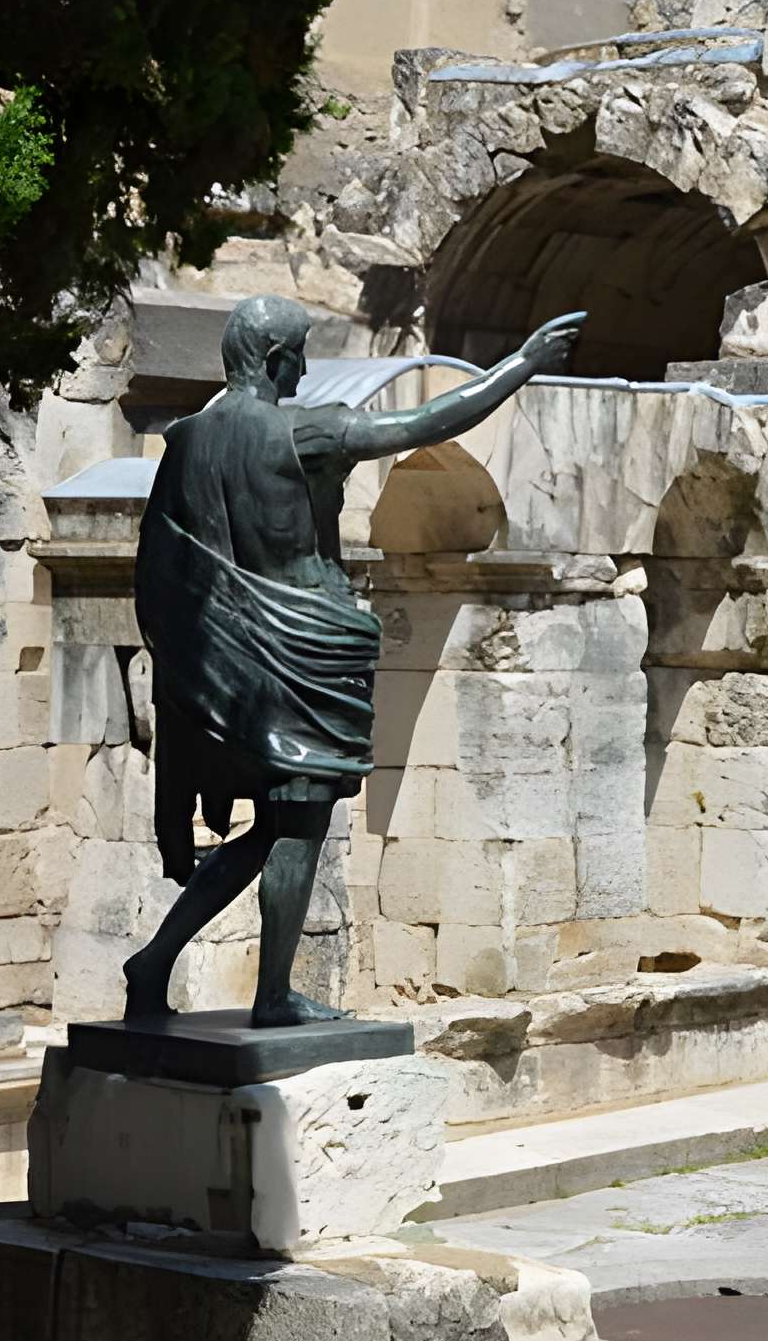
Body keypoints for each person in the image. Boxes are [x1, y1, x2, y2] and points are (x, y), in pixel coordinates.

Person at [124, 296, 585, 1027]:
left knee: (281, 827)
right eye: (300, 354)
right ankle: (270, 999)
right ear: (276, 358)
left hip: (233, 662)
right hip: (301, 653)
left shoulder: (186, 441)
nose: (307, 368)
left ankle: (152, 965)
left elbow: (161, 567)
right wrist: (520, 365)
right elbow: (425, 423)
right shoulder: (302, 431)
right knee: (298, 822)